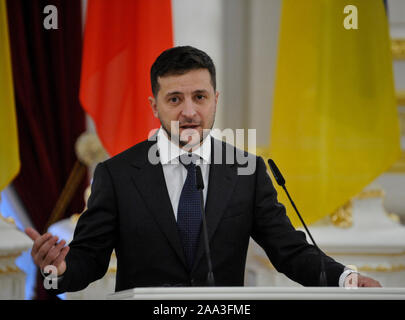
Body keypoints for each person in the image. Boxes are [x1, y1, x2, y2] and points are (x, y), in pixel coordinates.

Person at [26, 46, 381, 293]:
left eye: (200, 97)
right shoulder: (117, 174)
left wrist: (347, 279)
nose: (189, 112)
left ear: (215, 99)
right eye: (175, 99)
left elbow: (290, 251)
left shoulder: (247, 171)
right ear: (155, 106)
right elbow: (88, 260)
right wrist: (57, 271)